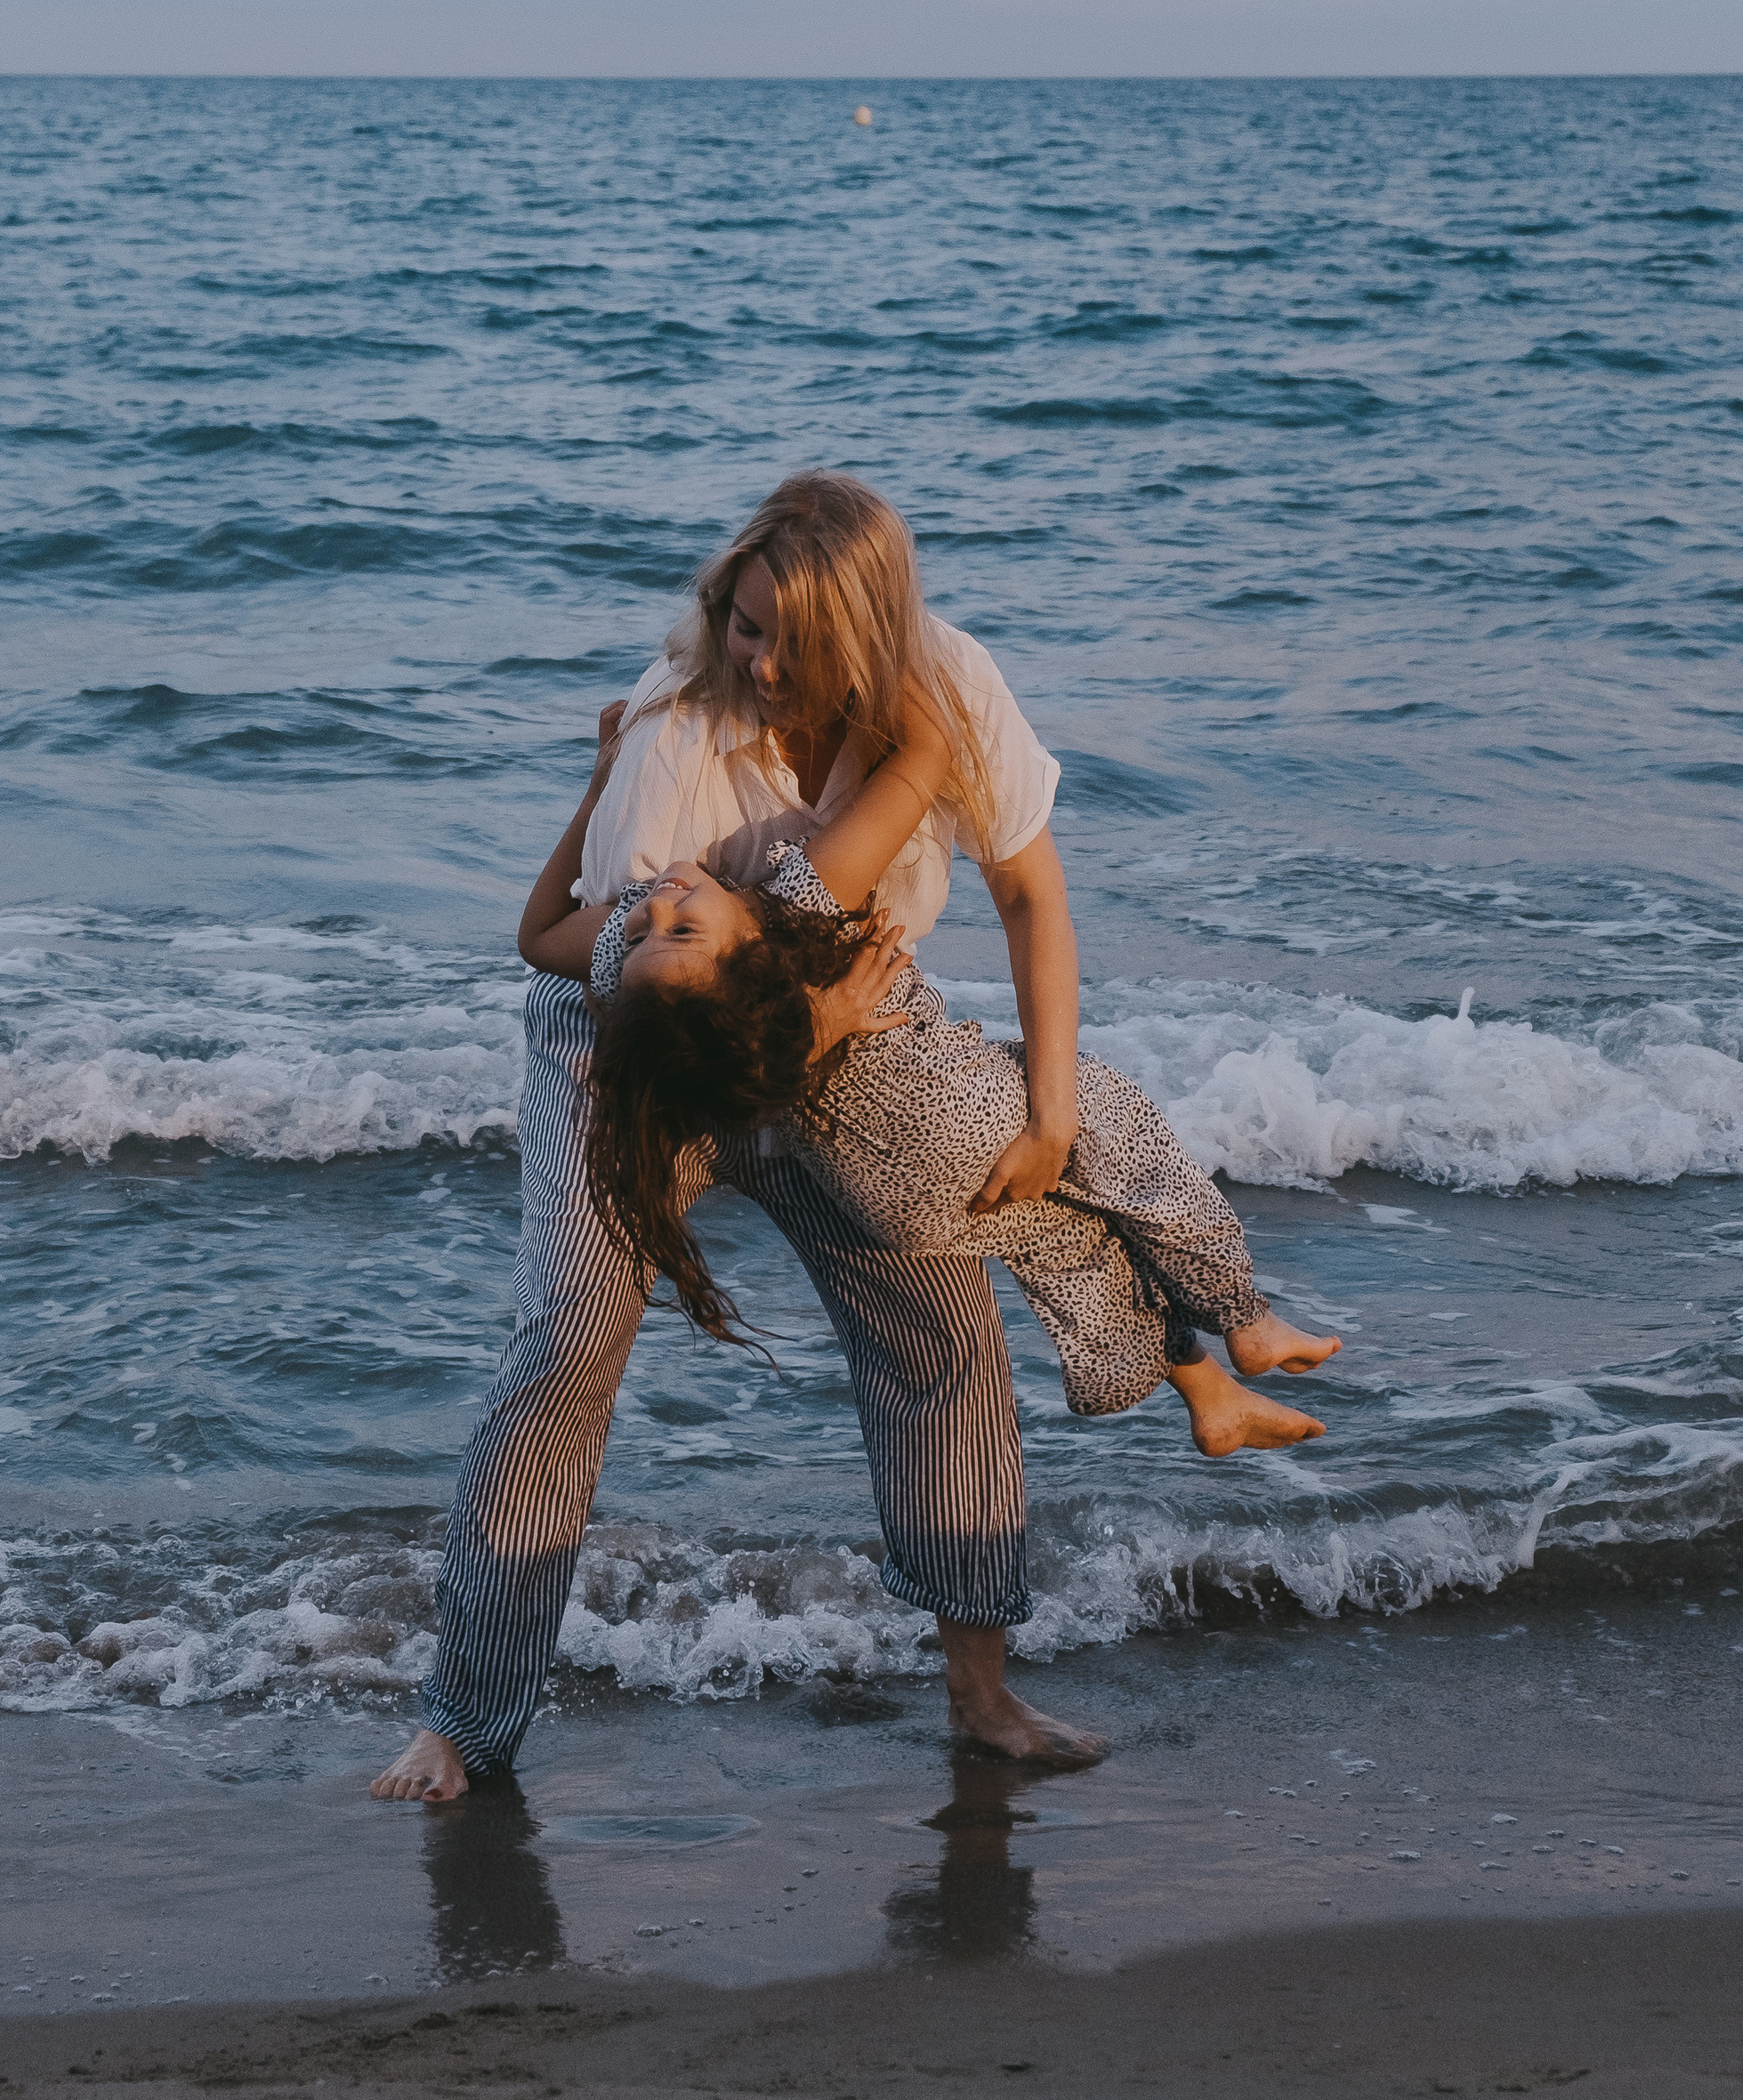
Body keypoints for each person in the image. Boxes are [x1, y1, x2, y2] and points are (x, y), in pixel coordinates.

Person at [374, 472, 1109, 1805]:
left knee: (939, 1321)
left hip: (838, 1026)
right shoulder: (675, 724)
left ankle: (981, 1695)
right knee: (569, 1338)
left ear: (869, 640)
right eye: (744, 624)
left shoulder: (948, 690)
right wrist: (809, 1020)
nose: (760, 663)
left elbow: (1028, 894)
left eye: (793, 641)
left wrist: (1052, 1113)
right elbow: (628, 976)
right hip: (636, 1034)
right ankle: (463, 1722)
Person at [582, 840, 1338, 1439]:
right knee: (1127, 1145)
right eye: (677, 926)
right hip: (958, 1122)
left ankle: (1209, 1394)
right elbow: (909, 767)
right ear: (745, 961)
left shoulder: (645, 983)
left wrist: (597, 798)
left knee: (1074, 1242)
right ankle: (1246, 1318)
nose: (656, 904)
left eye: (650, 924)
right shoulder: (798, 900)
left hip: (890, 1204)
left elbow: (537, 938)